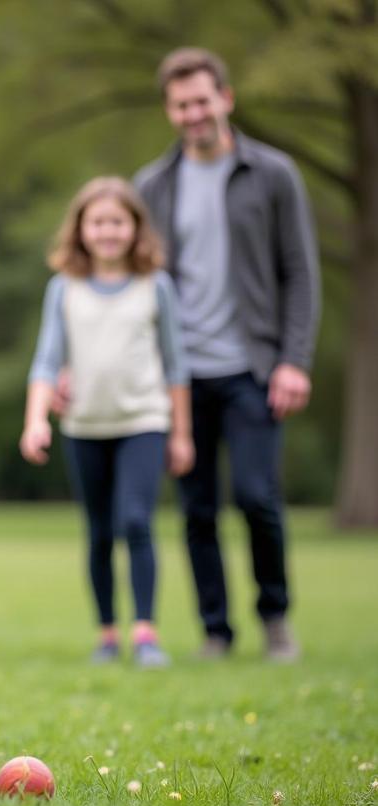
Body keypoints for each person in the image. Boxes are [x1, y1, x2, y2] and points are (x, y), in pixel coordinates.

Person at [135, 47, 321, 661]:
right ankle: (216, 630)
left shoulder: (272, 175)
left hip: (254, 368)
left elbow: (299, 272)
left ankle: (275, 618)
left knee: (257, 496)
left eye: (202, 100)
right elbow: (134, 287)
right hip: (180, 377)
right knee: (196, 509)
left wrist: (293, 358)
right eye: (181, 104)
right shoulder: (153, 186)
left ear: (226, 99)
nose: (193, 113)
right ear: (170, 110)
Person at [20, 176, 193, 667]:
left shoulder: (155, 286)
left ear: (136, 228)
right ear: (81, 230)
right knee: (98, 531)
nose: (108, 231)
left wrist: (181, 434)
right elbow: (47, 362)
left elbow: (177, 366)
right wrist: (37, 421)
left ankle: (145, 634)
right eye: (98, 222)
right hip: (84, 427)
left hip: (145, 421)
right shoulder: (64, 289)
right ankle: (107, 634)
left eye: (118, 222)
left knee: (136, 521)